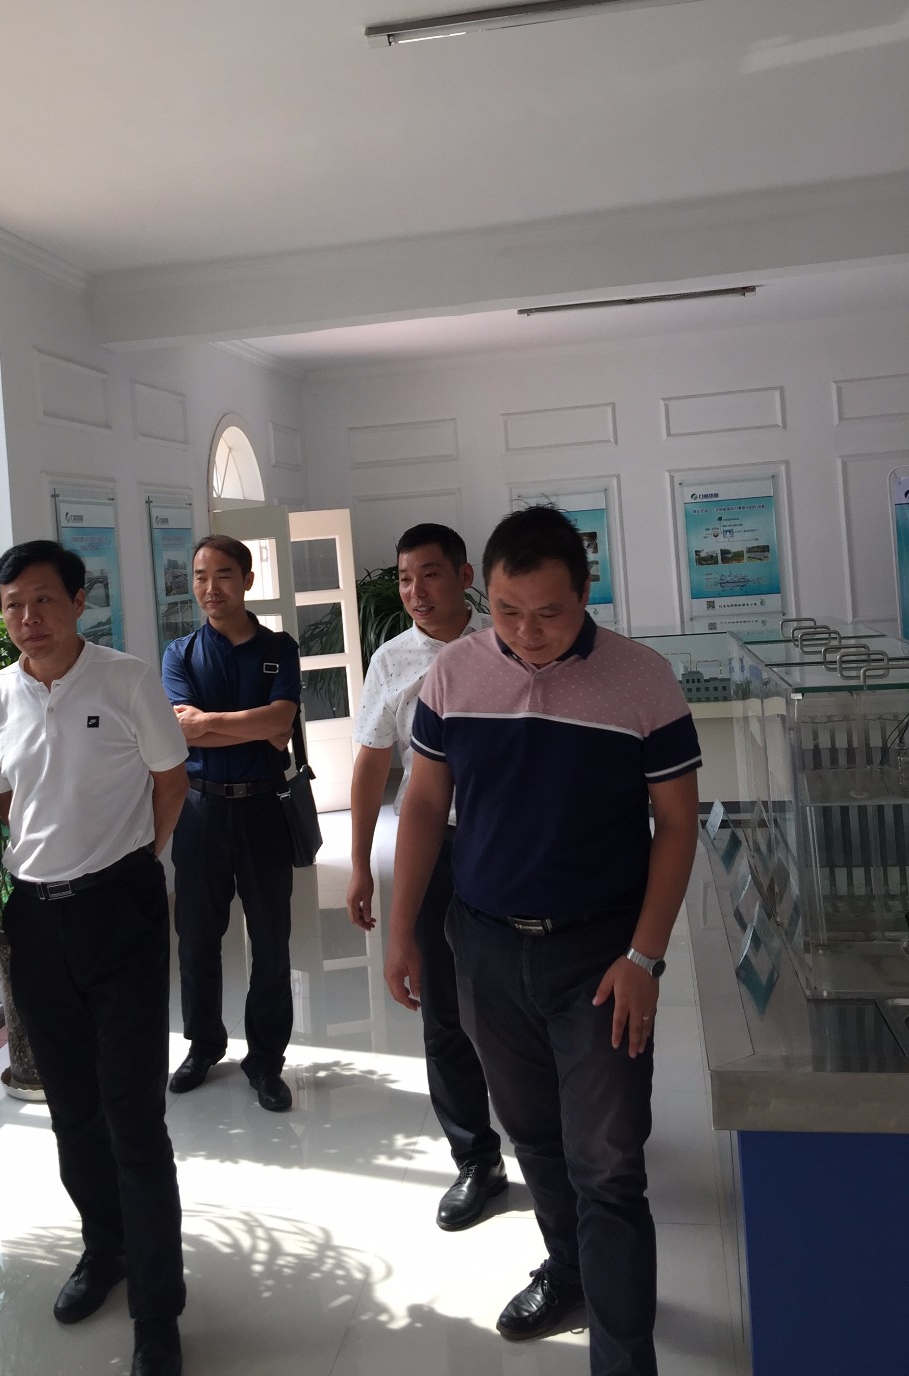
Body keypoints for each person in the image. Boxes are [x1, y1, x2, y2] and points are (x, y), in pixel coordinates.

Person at [384, 506, 701, 1376]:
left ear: (586, 593)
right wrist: (404, 929)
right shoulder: (454, 673)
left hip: (600, 959)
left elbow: (677, 825)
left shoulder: (642, 680)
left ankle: (623, 1356)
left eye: (549, 613)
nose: (526, 632)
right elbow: (424, 803)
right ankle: (568, 1271)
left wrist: (644, 958)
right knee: (535, 1139)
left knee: (609, 1162)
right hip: (484, 949)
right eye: (508, 611)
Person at [0, 539, 188, 1376]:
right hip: (35, 917)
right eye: (13, 605)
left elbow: (171, 780)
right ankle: (107, 1248)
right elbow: (4, 799)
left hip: (120, 908)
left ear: (77, 602)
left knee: (134, 1116)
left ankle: (158, 1312)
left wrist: (135, 861)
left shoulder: (125, 680)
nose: (28, 618)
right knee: (71, 1109)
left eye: (43, 600)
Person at [347, 523, 506, 1230]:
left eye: (430, 575)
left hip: (508, 845)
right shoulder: (392, 660)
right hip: (434, 845)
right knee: (441, 1008)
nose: (415, 592)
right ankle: (475, 1158)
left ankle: (560, 1143)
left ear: (465, 576)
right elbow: (371, 763)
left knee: (519, 998)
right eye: (406, 579)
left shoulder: (506, 642)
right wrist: (360, 864)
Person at [161, 535, 300, 1112]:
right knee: (196, 938)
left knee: (271, 941)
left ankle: (266, 1060)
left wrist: (212, 724)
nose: (209, 587)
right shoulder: (180, 653)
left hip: (263, 807)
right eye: (200, 576)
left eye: (222, 574)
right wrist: (252, 725)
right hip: (200, 810)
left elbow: (281, 723)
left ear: (247, 579)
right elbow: (182, 731)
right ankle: (203, 1045)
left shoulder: (279, 648)